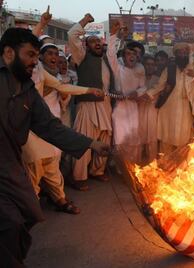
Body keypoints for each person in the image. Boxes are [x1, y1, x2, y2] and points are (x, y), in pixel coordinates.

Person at [0, 27, 110, 267]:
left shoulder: (28, 89)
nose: (34, 61)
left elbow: (51, 127)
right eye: (30, 55)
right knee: (11, 222)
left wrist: (91, 143)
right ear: (8, 53)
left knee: (30, 212)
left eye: (35, 56)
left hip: (9, 165)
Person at [68, 13, 115, 191]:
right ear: (86, 46)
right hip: (87, 104)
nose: (97, 44)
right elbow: (72, 36)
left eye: (98, 41)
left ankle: (97, 170)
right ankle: (78, 177)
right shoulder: (81, 57)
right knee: (84, 139)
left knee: (105, 138)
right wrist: (85, 21)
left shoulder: (106, 60)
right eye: (93, 41)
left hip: (105, 105)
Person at [141, 43, 194, 154]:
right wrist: (148, 94)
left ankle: (179, 168)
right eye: (180, 52)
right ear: (176, 55)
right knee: (166, 139)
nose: (182, 55)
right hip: (169, 109)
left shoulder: (193, 69)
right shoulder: (170, 68)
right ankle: (164, 166)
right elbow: (159, 85)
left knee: (183, 140)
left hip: (186, 109)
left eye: (184, 53)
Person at [108, 21, 145, 164]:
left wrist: (137, 93)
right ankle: (121, 169)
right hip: (120, 109)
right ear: (124, 55)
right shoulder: (118, 67)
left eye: (134, 54)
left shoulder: (140, 68)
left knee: (134, 141)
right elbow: (110, 53)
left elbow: (143, 87)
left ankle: (133, 168)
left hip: (134, 109)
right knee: (120, 140)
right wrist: (113, 34)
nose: (131, 56)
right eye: (128, 53)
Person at [139, 55, 160, 163]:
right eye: (147, 64)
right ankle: (137, 165)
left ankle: (152, 164)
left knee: (152, 139)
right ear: (144, 65)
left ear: (155, 67)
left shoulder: (158, 80)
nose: (150, 67)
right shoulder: (139, 78)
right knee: (139, 138)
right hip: (139, 112)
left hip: (152, 112)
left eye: (152, 65)